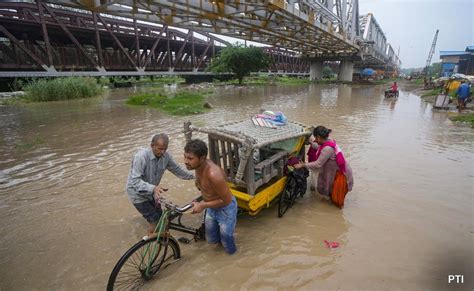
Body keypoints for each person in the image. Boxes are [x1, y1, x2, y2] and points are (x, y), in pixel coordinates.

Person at [126, 133, 194, 236]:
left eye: (165, 149)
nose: (162, 152)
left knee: (162, 218)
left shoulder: (166, 157)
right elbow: (134, 181)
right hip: (137, 194)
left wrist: (195, 176)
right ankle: (150, 241)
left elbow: (178, 171)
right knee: (155, 220)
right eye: (159, 149)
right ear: (152, 145)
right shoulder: (141, 157)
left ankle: (160, 241)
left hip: (152, 192)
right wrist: (153, 188)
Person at [184, 139, 238, 254]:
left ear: (202, 158)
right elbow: (202, 185)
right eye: (185, 157)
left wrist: (202, 205)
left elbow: (226, 200)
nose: (186, 161)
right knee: (212, 239)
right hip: (211, 207)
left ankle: (232, 259)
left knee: (227, 241)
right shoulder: (197, 166)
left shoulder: (214, 174)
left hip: (225, 209)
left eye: (190, 158)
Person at [295, 126, 354, 208]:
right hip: (337, 171)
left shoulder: (327, 149)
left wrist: (303, 165)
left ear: (319, 137)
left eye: (315, 138)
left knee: (337, 197)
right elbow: (319, 147)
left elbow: (318, 164)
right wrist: (311, 142)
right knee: (332, 192)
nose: (315, 140)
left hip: (342, 173)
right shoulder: (329, 141)